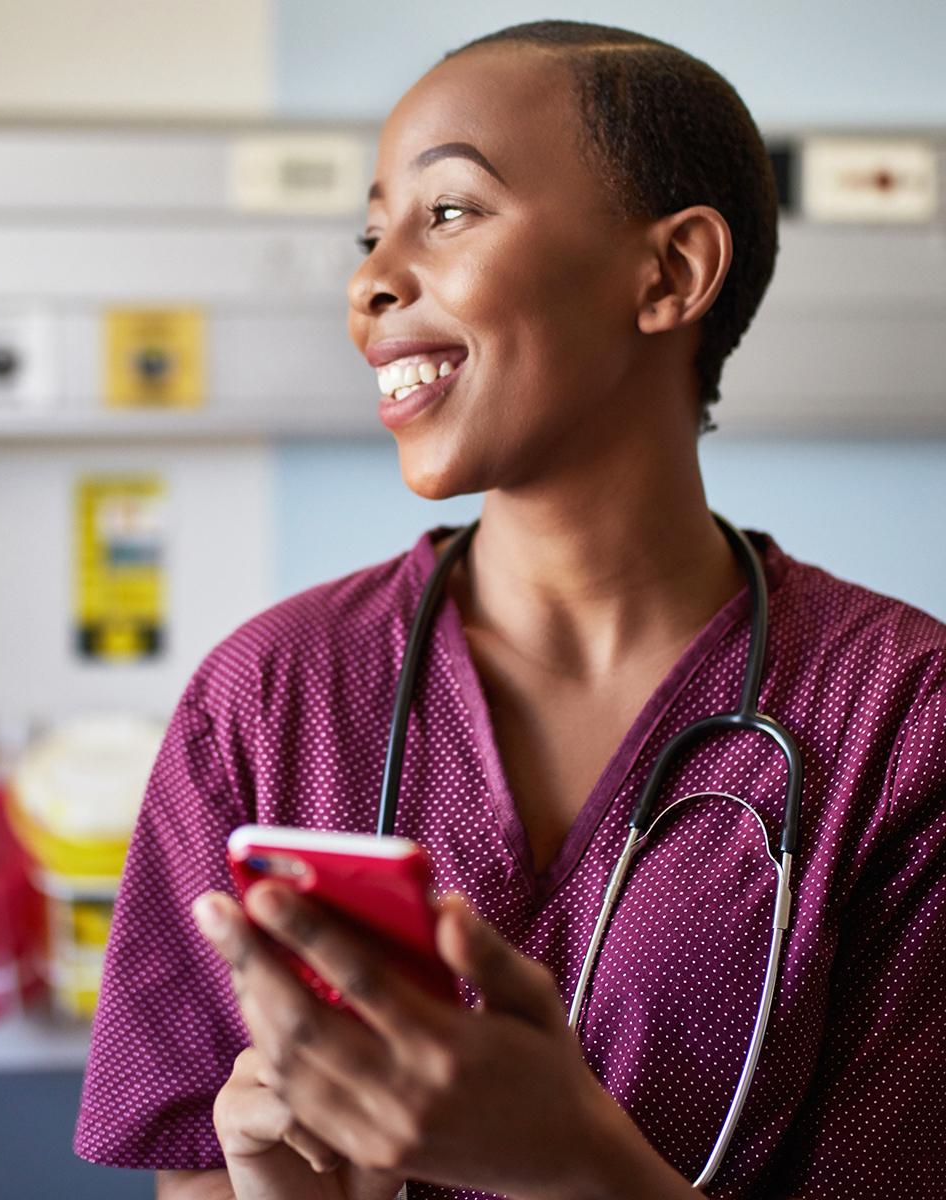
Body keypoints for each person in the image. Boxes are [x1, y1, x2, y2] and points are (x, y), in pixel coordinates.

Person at [74, 20, 946, 1200]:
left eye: (447, 212)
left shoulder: (900, 719)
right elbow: (195, 1171)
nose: (373, 279)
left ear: (671, 273)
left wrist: (577, 1167)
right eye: (370, 231)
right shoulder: (272, 696)